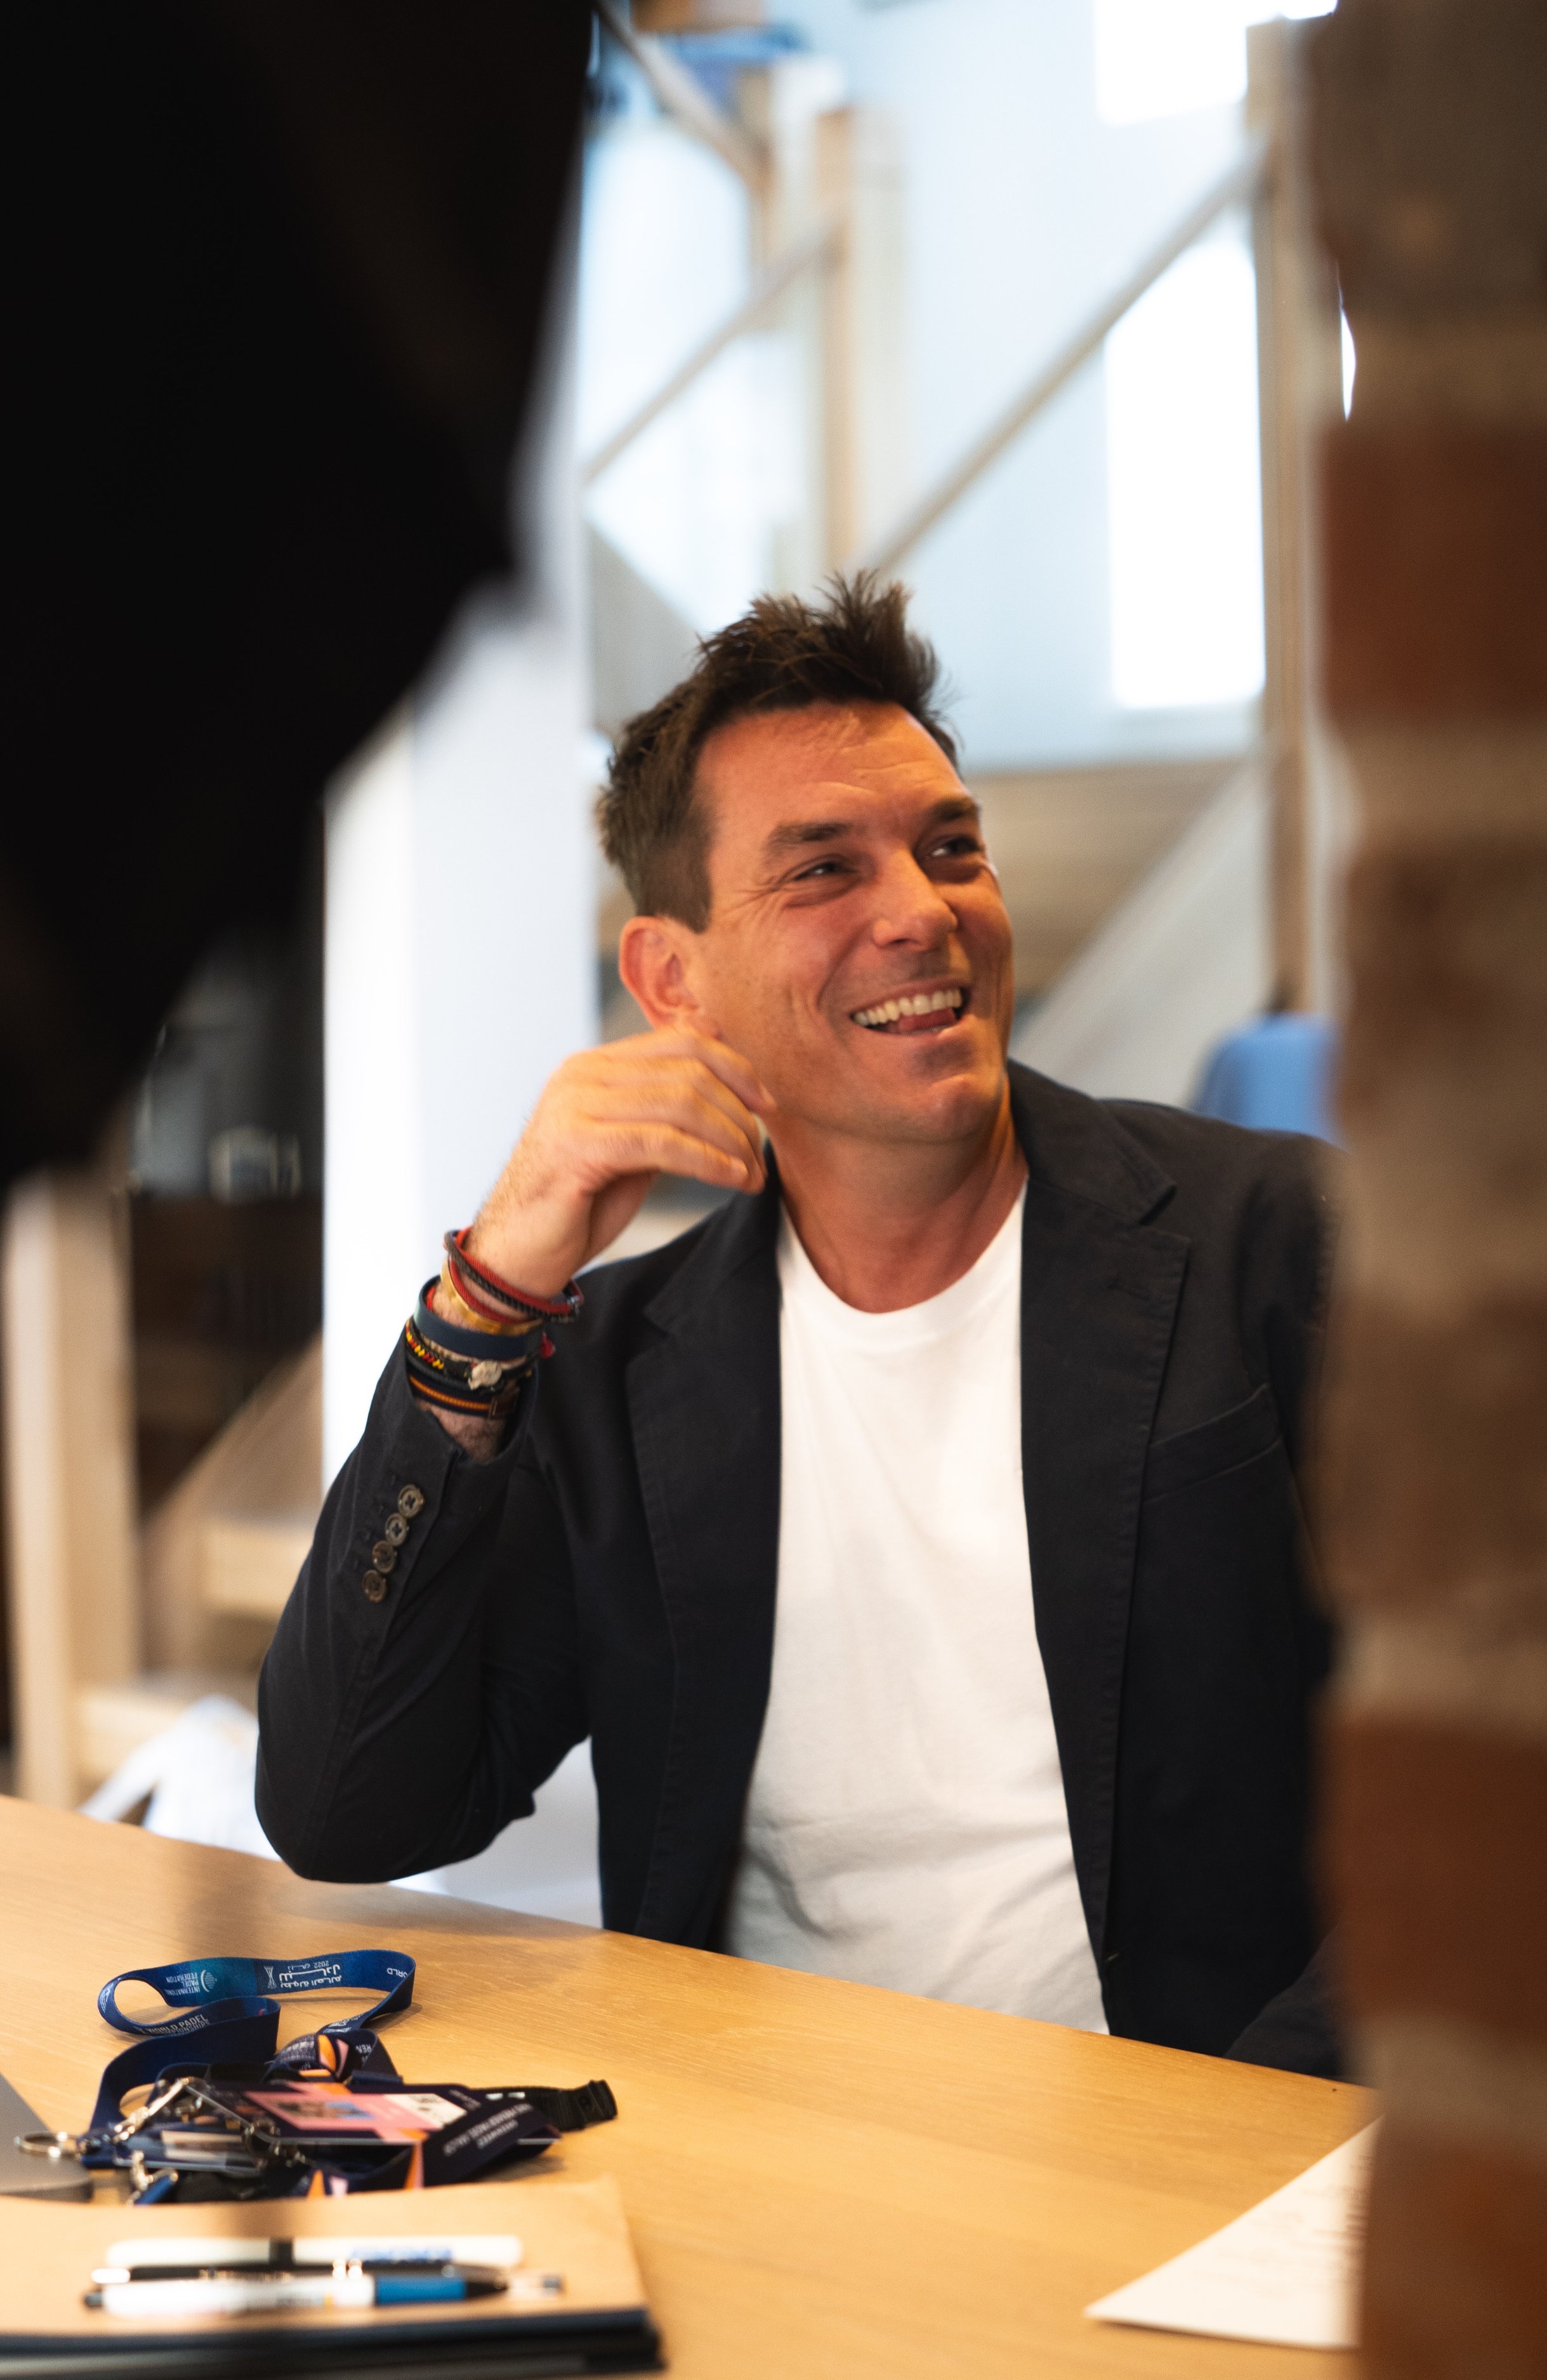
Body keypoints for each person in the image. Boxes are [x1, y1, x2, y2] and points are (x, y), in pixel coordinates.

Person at [257, 576, 1338, 2075]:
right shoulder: (618, 1365)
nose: (920, 912)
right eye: (822, 870)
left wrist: (1255, 2145)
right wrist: (487, 1297)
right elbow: (346, 1806)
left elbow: (1513, 1776)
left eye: (949, 847)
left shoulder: (1277, 1246)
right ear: (671, 981)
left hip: (1188, 2159)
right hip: (768, 2162)